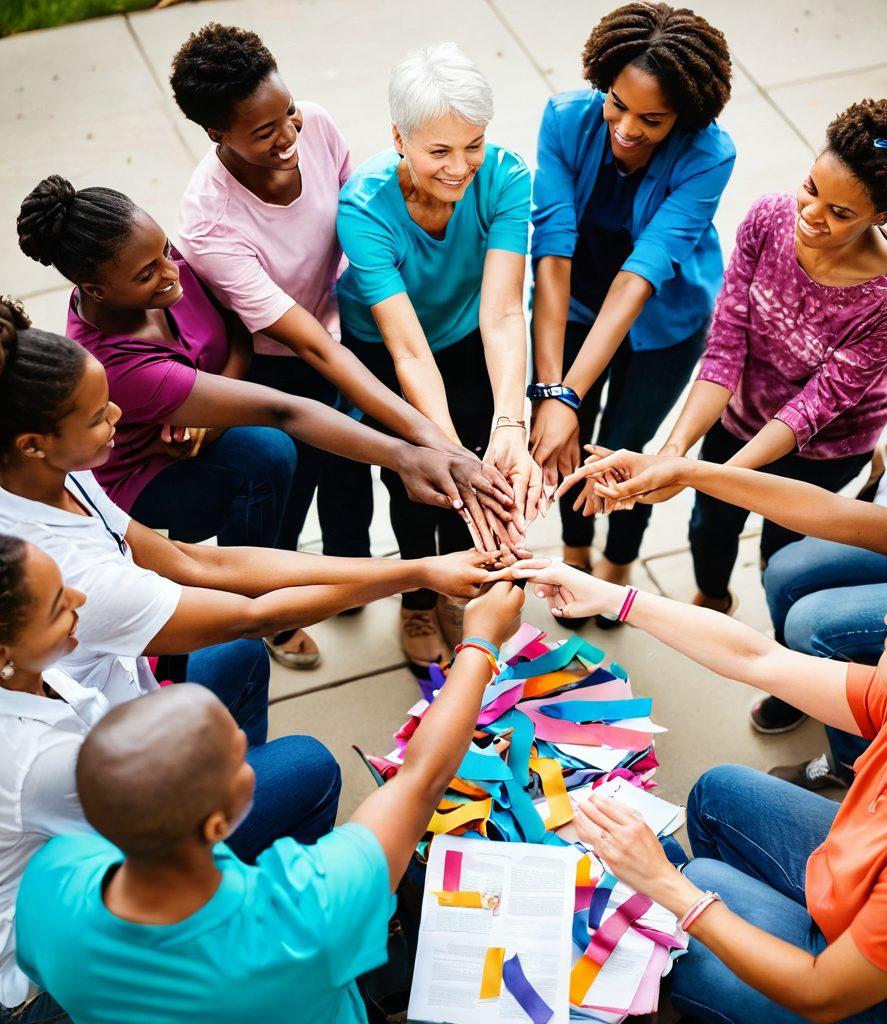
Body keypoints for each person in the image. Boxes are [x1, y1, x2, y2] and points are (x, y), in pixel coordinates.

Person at [559, 177, 887, 785]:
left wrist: (693, 470)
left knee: (814, 624)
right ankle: (813, 681)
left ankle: (853, 768)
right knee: (784, 572)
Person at [16, 175, 509, 668]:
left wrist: (212, 412)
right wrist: (410, 454)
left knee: (277, 452)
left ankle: (273, 589)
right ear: (95, 289)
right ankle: (254, 609)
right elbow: (281, 409)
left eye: (166, 250)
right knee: (266, 456)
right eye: (149, 272)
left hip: (208, 428)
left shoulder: (160, 271)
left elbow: (237, 337)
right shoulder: (119, 366)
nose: (173, 271)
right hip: (144, 473)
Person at [514, 559, 887, 1024]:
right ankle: (740, 945)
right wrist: (612, 597)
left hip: (876, 1006)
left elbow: (822, 992)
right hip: (863, 898)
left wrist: (667, 884)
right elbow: (756, 656)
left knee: (692, 912)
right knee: (719, 794)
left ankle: (717, 977)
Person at [15, 581, 526, 1024]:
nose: (253, 758)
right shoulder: (306, 916)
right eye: (241, 759)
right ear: (219, 823)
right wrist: (480, 643)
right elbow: (421, 779)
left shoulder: (51, 881)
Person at [0, 296, 515, 708]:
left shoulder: (52, 474)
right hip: (106, 743)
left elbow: (198, 560)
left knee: (240, 659)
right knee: (309, 767)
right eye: (95, 417)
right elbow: (254, 614)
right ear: (32, 443)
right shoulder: (75, 573)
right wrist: (421, 573)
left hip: (124, 678)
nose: (117, 412)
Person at [171, 24, 514, 578]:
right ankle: (277, 615)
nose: (290, 133)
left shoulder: (316, 123)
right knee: (289, 489)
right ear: (216, 132)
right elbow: (310, 346)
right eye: (265, 131)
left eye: (289, 112)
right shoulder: (211, 221)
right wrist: (434, 439)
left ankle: (353, 582)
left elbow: (367, 225)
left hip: (345, 332)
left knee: (350, 489)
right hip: (278, 361)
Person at [0, 536, 340, 1024]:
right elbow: (146, 844)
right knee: (310, 767)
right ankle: (271, 938)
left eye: (65, 585)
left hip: (103, 831)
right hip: (53, 969)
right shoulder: (40, 763)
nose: (79, 600)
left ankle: (250, 844)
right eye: (58, 606)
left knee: (234, 655)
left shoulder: (29, 669)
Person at [660, 98, 887, 620]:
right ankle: (713, 599)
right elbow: (725, 343)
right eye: (812, 190)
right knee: (709, 523)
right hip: (739, 413)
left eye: (841, 213)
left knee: (784, 555)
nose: (812, 216)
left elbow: (817, 405)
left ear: (881, 216)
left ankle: (782, 653)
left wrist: (720, 474)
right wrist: (677, 452)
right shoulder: (769, 218)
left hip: (826, 447)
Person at [529, 3, 735, 625]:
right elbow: (553, 252)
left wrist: (567, 393)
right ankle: (574, 554)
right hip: (572, 305)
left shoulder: (709, 155)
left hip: (664, 320)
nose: (626, 127)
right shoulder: (566, 118)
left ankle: (618, 566)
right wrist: (552, 391)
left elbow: (640, 277)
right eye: (616, 103)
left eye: (653, 119)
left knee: (623, 447)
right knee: (566, 444)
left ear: (687, 114)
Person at [335, 42, 539, 670]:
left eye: (473, 144)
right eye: (439, 151)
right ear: (399, 136)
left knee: (484, 463)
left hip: (467, 334)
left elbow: (505, 311)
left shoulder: (506, 177)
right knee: (418, 478)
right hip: (384, 347)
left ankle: (466, 582)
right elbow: (405, 348)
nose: (460, 168)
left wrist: (512, 422)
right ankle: (418, 597)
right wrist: (442, 448)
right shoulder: (363, 207)